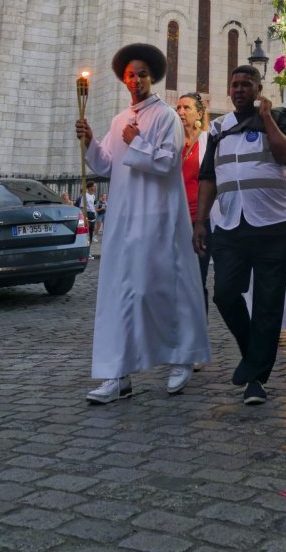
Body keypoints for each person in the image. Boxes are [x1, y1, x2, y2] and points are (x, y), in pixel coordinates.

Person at [75, 42, 210, 404]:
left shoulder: (166, 116)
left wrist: (137, 143)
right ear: (124, 79)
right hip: (123, 219)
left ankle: (181, 356)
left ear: (153, 77)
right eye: (131, 75)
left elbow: (167, 163)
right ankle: (117, 374)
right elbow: (105, 164)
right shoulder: (119, 120)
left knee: (160, 288)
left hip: (157, 218)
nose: (136, 81)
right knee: (119, 293)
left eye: (143, 75)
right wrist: (90, 143)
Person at [194, 65, 286, 405]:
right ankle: (253, 356)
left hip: (273, 225)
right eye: (234, 84)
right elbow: (208, 177)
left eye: (246, 84)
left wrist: (267, 119)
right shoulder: (219, 127)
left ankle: (256, 379)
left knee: (268, 304)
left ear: (258, 87)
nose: (239, 89)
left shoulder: (279, 118)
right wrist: (200, 221)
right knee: (224, 293)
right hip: (230, 225)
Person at [176, 91, 211, 310]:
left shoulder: (208, 141)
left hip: (201, 220)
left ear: (198, 113)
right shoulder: (172, 142)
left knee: (197, 277)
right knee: (175, 279)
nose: (180, 112)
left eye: (186, 108)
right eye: (178, 108)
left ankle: (199, 331)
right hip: (175, 219)